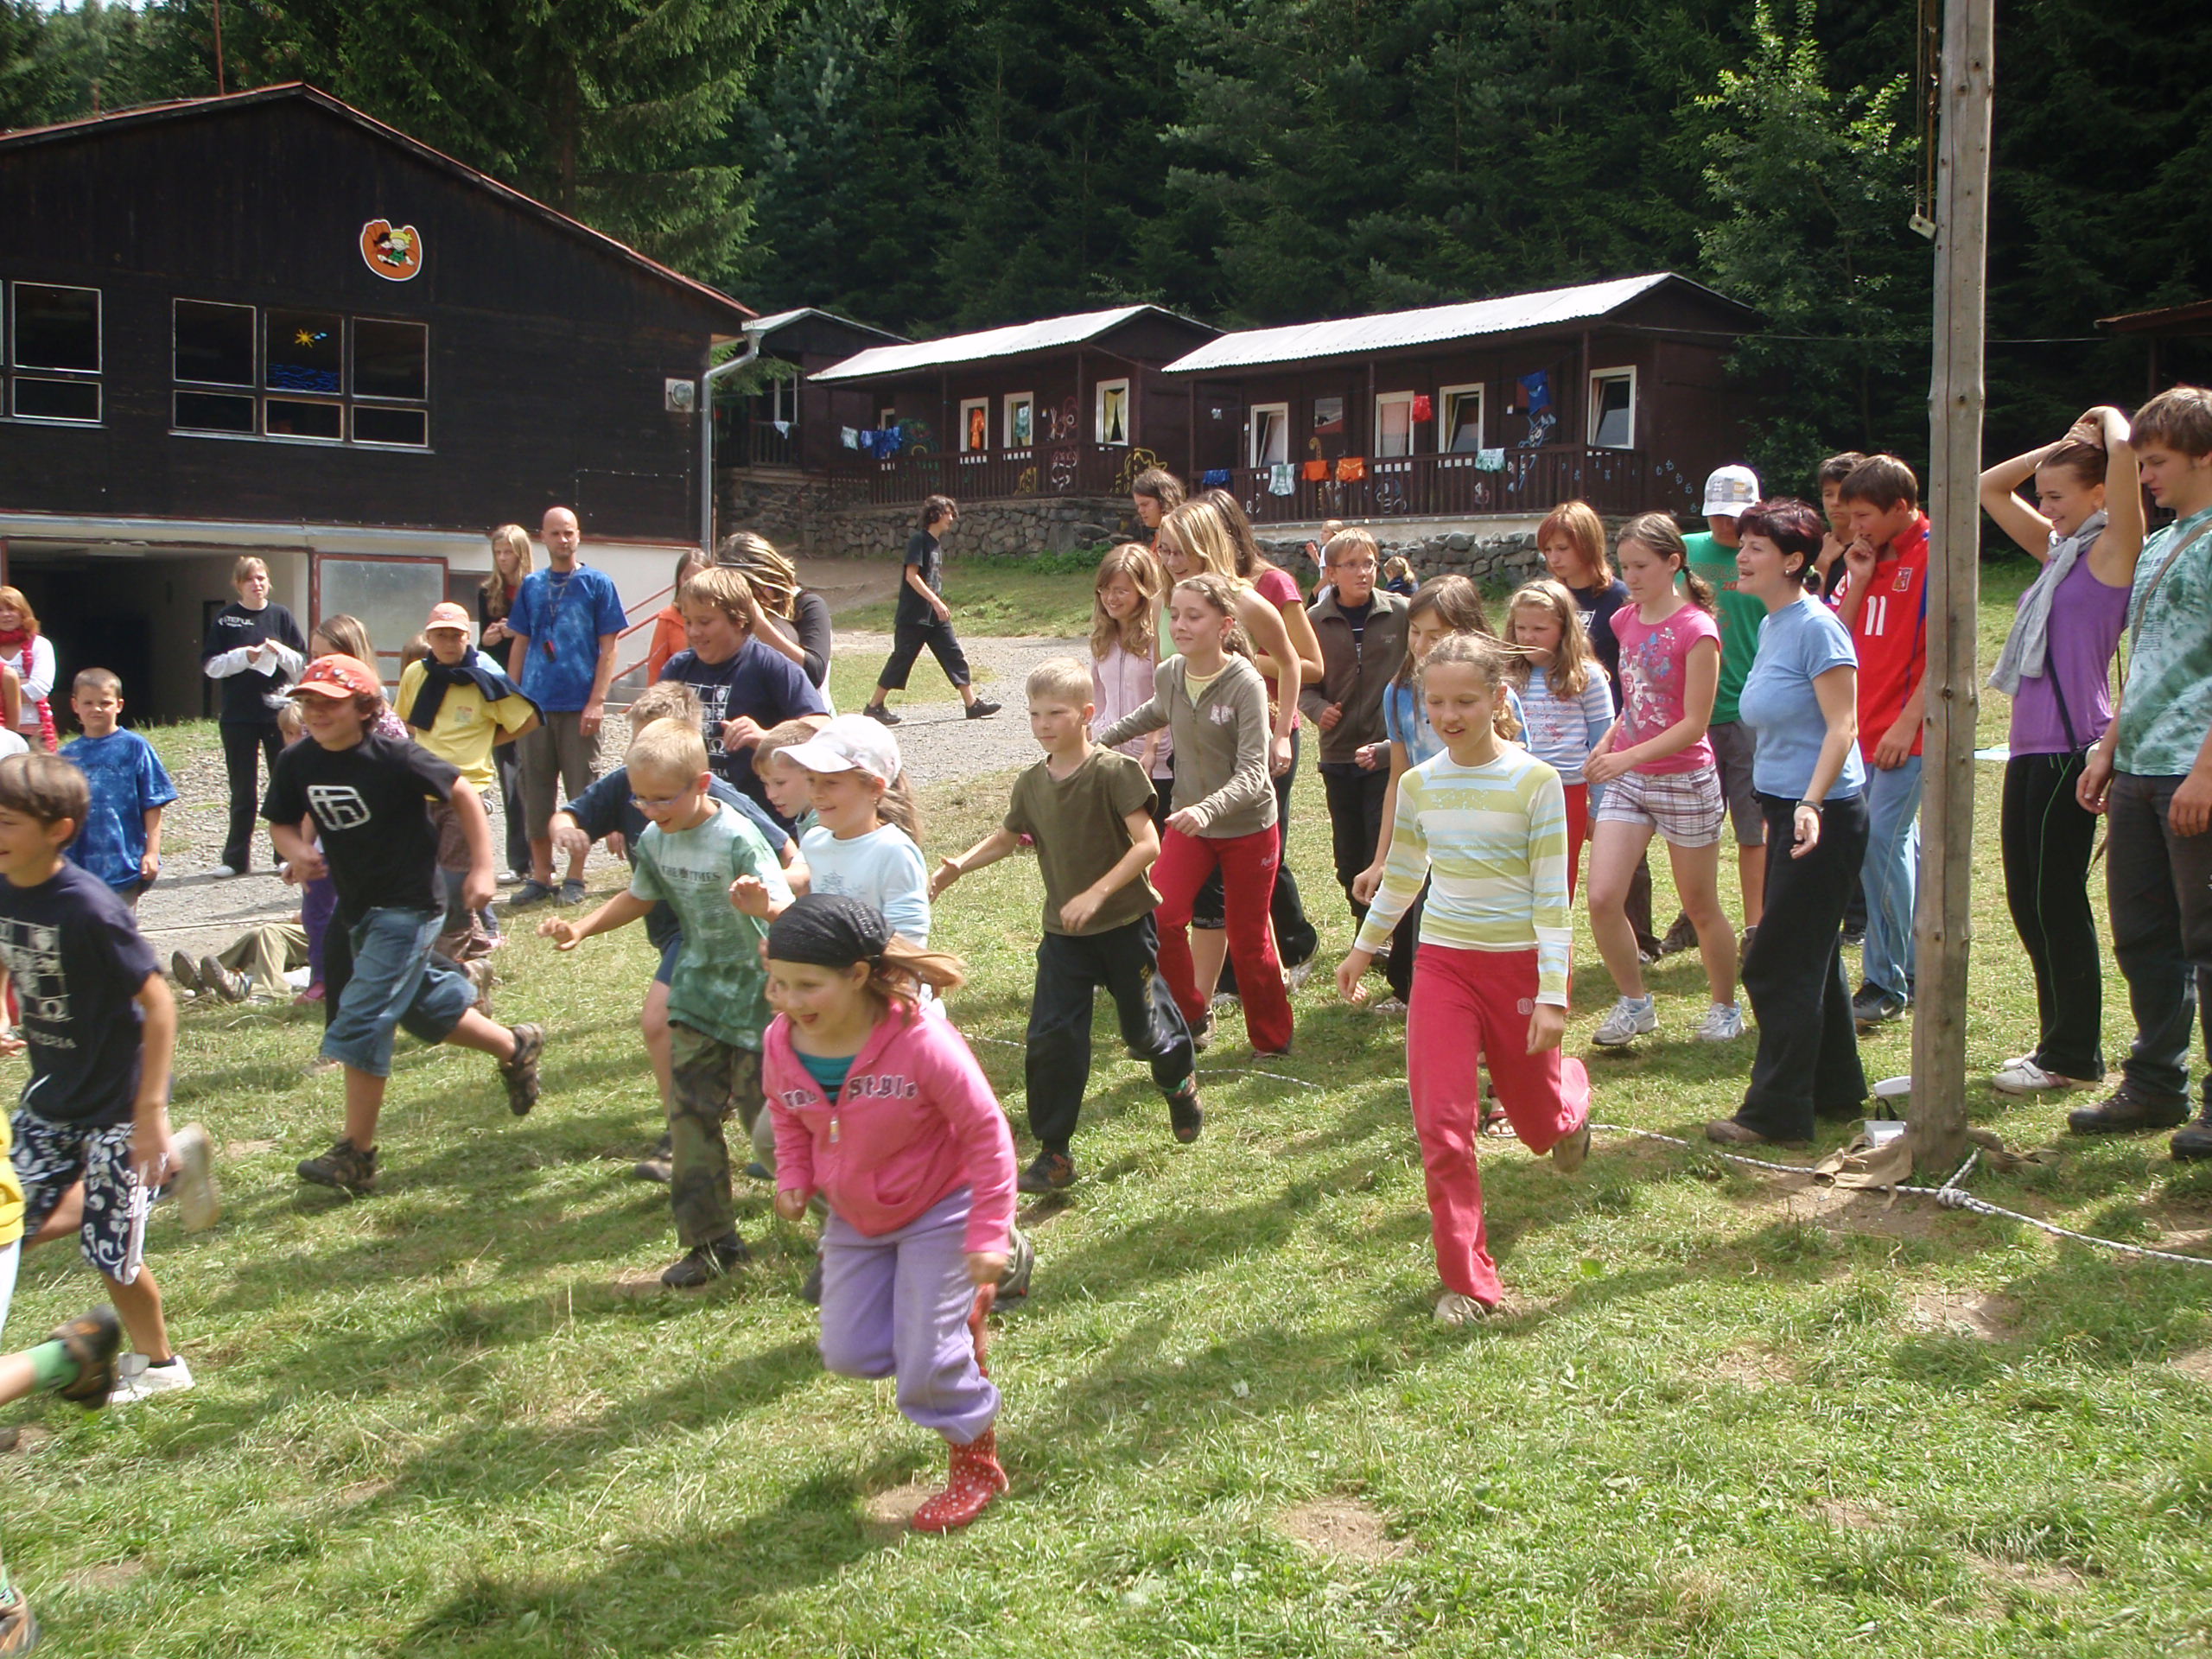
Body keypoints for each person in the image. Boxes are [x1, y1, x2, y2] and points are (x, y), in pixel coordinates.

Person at [1333, 632, 1591, 1323]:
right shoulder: (1420, 784)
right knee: (1444, 1128)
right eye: (1437, 702)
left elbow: (1552, 898)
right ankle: (1469, 1281)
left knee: (1536, 1124)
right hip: (1443, 967)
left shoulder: (1535, 783)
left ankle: (1568, 1105)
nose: (1449, 716)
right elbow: (1404, 874)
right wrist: (1364, 948)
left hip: (1516, 966)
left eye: (1466, 702)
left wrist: (1554, 995)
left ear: (1498, 698)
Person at [762, 894, 1020, 1533]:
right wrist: (793, 1177)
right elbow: (789, 1116)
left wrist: (989, 1230)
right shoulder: (781, 1042)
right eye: (777, 983)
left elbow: (986, 1133)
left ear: (857, 974)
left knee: (927, 1364)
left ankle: (975, 1461)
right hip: (856, 1218)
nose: (790, 1001)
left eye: (807, 985)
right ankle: (954, 1325)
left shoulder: (920, 1040)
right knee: (850, 1354)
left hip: (943, 1209)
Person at [264, 655, 544, 1197]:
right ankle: (516, 1047)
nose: (316, 712)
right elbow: (280, 822)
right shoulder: (298, 760)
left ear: (365, 707)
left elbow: (463, 793)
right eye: (309, 701)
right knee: (423, 1009)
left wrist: (482, 868)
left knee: (365, 1012)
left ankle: (357, 1153)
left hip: (410, 904)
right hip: (357, 906)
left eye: (330, 702)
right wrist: (297, 851)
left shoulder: (394, 757)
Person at [931, 658, 1203, 1192]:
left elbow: (1148, 844)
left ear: (1086, 713)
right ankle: (1054, 1153)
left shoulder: (1114, 772)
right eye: (1035, 714)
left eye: (1056, 713)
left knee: (1144, 1032)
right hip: (1064, 936)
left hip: (1124, 925)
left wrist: (1098, 892)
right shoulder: (1032, 783)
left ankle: (1179, 1082)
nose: (1044, 724)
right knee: (1052, 1038)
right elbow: (1007, 837)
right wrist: (959, 865)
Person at [540, 718, 793, 1285]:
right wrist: (582, 927)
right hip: (698, 995)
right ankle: (711, 1244)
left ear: (701, 784)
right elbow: (640, 896)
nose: (650, 810)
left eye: (662, 798)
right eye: (640, 799)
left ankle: (843, 1224)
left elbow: (785, 910)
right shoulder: (654, 839)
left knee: (770, 1127)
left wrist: (767, 912)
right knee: (689, 1118)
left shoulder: (737, 838)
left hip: (758, 1002)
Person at [0, 752, 211, 1409]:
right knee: (12, 1222)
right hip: (51, 1096)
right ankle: (169, 1172)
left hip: (120, 1109)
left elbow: (160, 1003)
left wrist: (149, 1113)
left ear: (57, 830)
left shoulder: (90, 908)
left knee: (110, 1251)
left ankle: (160, 1365)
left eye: (5, 821)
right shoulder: (5, 885)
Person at [1980, 407, 2143, 1096]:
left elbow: (2126, 453)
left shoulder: (2114, 551)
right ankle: (2057, 1042)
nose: (2044, 509)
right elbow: (1989, 487)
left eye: (2057, 496)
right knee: (2028, 899)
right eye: (2042, 497)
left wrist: (2105, 421)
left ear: (2101, 493)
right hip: (2028, 747)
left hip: (2072, 749)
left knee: (2056, 899)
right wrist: (2059, 447)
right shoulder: (2060, 552)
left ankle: (2074, 1055)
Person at [2073, 385, 2212, 1160]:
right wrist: (2109, 748)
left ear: (2205, 457)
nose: (2145, 476)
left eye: (2156, 462)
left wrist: (2206, 773)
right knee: (2143, 933)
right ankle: (2157, 1082)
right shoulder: (2161, 544)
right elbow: (2151, 659)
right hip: (2139, 767)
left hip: (2196, 772)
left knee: (2207, 939)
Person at [1705, 499, 1869, 1147]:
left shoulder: (1817, 628)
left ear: (1794, 561)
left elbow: (1843, 726)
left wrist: (1810, 803)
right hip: (1786, 807)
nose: (1740, 557)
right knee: (1812, 957)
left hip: (1822, 814)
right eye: (1742, 545)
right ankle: (1835, 1091)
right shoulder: (1776, 622)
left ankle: (1776, 1112)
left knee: (1777, 963)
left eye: (1756, 548)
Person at [1096, 573, 1293, 1055]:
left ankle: (1272, 1038)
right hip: (1191, 822)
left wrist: (1208, 809)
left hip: (1247, 826)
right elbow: (1154, 712)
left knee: (1248, 941)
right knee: (1161, 917)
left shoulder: (1245, 682)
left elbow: (1254, 772)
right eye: (1175, 616)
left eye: (1193, 617)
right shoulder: (1171, 673)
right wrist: (1098, 742)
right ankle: (1190, 1016)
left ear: (1224, 626)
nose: (1180, 626)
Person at [1584, 512, 1743, 1046]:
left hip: (1685, 780)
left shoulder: (1698, 630)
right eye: (1624, 566)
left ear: (1673, 563)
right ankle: (1635, 1002)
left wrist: (1624, 757)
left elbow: (1694, 724)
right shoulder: (1623, 620)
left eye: (1641, 566)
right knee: (1603, 898)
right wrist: (1610, 741)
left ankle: (1725, 1007)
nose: (1630, 577)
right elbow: (1635, 702)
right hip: (1631, 778)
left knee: (1700, 906)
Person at [1154, 497, 1316, 999]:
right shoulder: (1168, 604)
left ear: (1206, 545)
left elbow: (1293, 662)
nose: (1171, 561)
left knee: (1252, 871)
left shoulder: (1245, 601)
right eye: (1164, 550)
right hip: (1196, 752)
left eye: (1180, 550)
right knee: (1207, 881)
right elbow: (1167, 683)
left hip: (1255, 750)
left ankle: (1275, 964)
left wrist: (1282, 732)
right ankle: (1214, 990)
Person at [1351, 576, 1522, 1012]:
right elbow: (1399, 779)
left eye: (1436, 635)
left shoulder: (1494, 697)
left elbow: (1520, 781)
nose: (1422, 645)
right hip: (1427, 834)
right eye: (1415, 632)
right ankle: (1421, 1000)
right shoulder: (1398, 694)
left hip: (1487, 846)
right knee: (1423, 924)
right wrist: (1381, 858)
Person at [1833, 454, 1931, 1031]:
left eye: (1864, 516)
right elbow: (1835, 639)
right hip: (1860, 730)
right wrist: (1861, 578)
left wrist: (1907, 724)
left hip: (1905, 735)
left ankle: (1885, 981)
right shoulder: (1865, 558)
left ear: (1901, 507)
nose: (1855, 528)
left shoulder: (1936, 555)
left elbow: (1948, 652)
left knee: (1880, 845)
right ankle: (1915, 968)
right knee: (1894, 849)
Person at [1538, 500, 1659, 959]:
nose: (1554, 559)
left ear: (1588, 546)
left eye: (1563, 548)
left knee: (1625, 836)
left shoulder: (1618, 598)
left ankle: (1640, 937)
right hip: (1561, 737)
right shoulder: (1550, 597)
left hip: (1618, 730)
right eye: (1548, 550)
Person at [397, 603, 540, 963]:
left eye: (455, 636)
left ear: (467, 638)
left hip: (467, 790)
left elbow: (528, 718)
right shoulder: (416, 673)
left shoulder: (484, 678)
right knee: (425, 875)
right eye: (440, 635)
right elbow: (405, 720)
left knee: (454, 879)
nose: (448, 643)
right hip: (422, 790)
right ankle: (478, 944)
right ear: (429, 638)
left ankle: (452, 960)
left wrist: (487, 740)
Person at [508, 505, 627, 907]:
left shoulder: (598, 584)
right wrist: (512, 699)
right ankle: (541, 877)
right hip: (536, 708)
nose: (563, 539)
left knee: (583, 792)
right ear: (542, 537)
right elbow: (521, 642)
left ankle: (576, 876)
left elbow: (609, 647)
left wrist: (597, 701)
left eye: (569, 532)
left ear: (579, 536)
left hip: (580, 707)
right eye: (556, 533)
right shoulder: (531, 586)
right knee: (535, 793)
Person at [655, 565, 828, 828]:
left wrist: (767, 738)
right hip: (696, 820)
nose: (693, 632)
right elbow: (650, 736)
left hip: (763, 821)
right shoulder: (678, 668)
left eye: (705, 622)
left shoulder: (771, 666)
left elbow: (821, 727)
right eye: (688, 622)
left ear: (739, 621)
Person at [1675, 464, 1768, 951]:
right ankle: (1694, 915)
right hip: (1692, 713)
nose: (1725, 525)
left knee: (1752, 829)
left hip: (1749, 712)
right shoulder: (1684, 551)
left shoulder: (1769, 554)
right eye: (1718, 515)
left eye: (1735, 516)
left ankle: (1756, 928)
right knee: (1695, 826)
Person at [1300, 528, 1409, 930]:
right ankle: (1363, 921)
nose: (1363, 572)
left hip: (1388, 752)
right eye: (1351, 565)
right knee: (1347, 856)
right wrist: (1318, 710)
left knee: (1380, 845)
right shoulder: (1313, 622)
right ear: (1330, 573)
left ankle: (1381, 933)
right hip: (1338, 752)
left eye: (1369, 563)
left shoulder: (1401, 613)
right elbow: (1302, 684)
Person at [746, 716, 929, 946]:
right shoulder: (814, 841)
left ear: (874, 788)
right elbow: (815, 923)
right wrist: (767, 910)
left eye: (831, 782)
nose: (816, 793)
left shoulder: (893, 851)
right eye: (811, 780)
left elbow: (909, 940)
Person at [1503, 581, 1614, 894]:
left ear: (1564, 629)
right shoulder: (1506, 676)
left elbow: (1603, 744)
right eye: (1521, 628)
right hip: (1514, 790)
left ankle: (1556, 929)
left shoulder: (1587, 677)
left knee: (1559, 880)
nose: (1528, 636)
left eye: (1539, 629)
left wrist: (1598, 809)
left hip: (1567, 792)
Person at [200, 557, 307, 874]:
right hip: (237, 716)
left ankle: (284, 854)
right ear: (238, 584)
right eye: (249, 579)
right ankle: (235, 859)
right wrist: (243, 657)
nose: (257, 584)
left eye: (261, 578)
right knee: (243, 791)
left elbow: (303, 663)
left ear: (268, 582)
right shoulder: (226, 619)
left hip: (277, 715)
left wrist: (281, 652)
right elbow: (211, 666)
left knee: (282, 785)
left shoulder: (281, 615)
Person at [861, 496, 1001, 725]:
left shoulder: (935, 544)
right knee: (902, 658)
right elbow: (912, 576)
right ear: (934, 514)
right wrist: (936, 601)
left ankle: (972, 704)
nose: (952, 518)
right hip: (914, 615)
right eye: (948, 513)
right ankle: (874, 706)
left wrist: (936, 605)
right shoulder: (919, 540)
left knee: (953, 654)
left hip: (934, 616)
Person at [60, 669, 176, 912]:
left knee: (118, 927)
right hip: (77, 865)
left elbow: (153, 802)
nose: (96, 709)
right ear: (75, 705)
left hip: (124, 860)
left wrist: (152, 852)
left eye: (105, 703)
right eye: (88, 703)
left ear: (119, 705)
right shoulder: (66, 756)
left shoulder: (135, 747)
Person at [1089, 543, 1175, 830]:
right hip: (1112, 757)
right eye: (1105, 589)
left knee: (1159, 841)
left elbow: (1164, 696)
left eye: (1121, 591)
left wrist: (1151, 747)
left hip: (1156, 760)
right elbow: (1097, 697)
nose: (1110, 598)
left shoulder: (1157, 638)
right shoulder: (1101, 637)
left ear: (1143, 591)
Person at [478, 524, 537, 883]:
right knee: (510, 776)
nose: (502, 559)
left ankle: (542, 858)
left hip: (534, 688)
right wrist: (488, 638)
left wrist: (521, 632)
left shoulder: (537, 588)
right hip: (500, 690)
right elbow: (481, 649)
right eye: (497, 553)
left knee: (536, 777)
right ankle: (519, 861)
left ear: (521, 553)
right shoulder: (488, 592)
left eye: (508, 552)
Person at [716, 531, 836, 693]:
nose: (747, 598)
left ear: (770, 575)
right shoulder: (729, 611)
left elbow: (814, 673)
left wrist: (761, 626)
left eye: (753, 588)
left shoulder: (808, 605)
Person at [646, 549, 709, 682]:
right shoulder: (668, 617)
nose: (692, 584)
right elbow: (656, 666)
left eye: (699, 577)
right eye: (687, 578)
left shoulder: (720, 617)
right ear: (679, 580)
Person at [1814, 452, 1867, 601]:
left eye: (1843, 494)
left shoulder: (1868, 551)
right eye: (1828, 494)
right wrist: (1822, 563)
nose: (1835, 502)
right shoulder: (1811, 548)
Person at [1129, 466, 1185, 548]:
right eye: (1138, 506)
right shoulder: (1160, 535)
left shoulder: (1181, 539)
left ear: (1164, 500)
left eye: (1145, 504)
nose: (1140, 510)